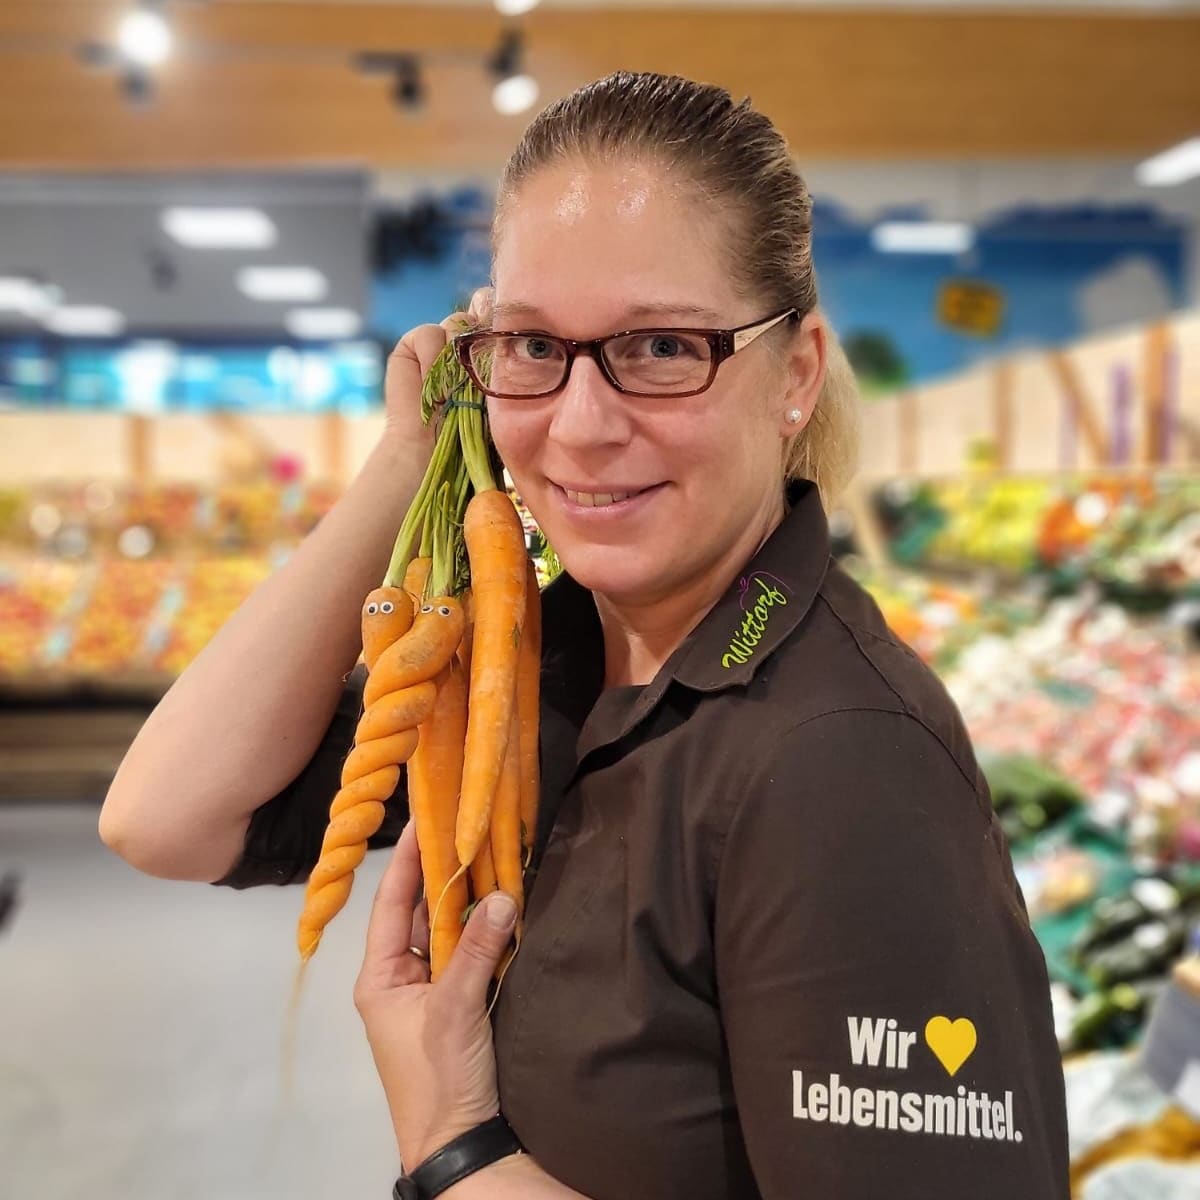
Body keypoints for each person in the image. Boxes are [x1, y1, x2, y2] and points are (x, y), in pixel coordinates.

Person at [101, 71, 1070, 1199]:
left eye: (661, 348)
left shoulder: (840, 762)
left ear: (793, 374)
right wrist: (406, 462)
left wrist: (453, 1146)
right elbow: (165, 818)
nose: (580, 425)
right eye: (532, 347)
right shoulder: (538, 661)